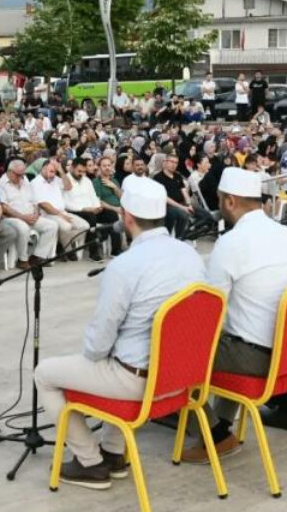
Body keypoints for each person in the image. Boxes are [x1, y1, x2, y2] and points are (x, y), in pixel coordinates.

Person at [35, 178, 206, 489]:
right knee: (122, 352)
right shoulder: (190, 255)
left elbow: (97, 346)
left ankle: (90, 462)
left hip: (138, 382)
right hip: (180, 379)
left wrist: (94, 355)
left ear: (127, 217)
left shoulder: (124, 266)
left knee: (45, 373)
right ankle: (114, 452)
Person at [178, 168, 287, 462]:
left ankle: (214, 434)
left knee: (172, 352)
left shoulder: (232, 242)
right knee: (232, 334)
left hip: (256, 357)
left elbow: (208, 312)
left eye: (221, 200)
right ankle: (223, 421)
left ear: (231, 202)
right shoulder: (285, 234)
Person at [0, 159, 59, 268]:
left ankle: (37, 257)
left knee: (52, 225)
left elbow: (34, 200)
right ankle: (22, 259)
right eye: (18, 175)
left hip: (30, 215)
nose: (21, 177)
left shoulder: (24, 180)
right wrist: (22, 217)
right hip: (12, 217)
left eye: (22, 174)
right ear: (10, 172)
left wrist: (35, 213)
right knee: (23, 228)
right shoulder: (0, 184)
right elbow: (4, 207)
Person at [32, 160, 90, 259]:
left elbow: (68, 187)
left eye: (55, 172)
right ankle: (68, 250)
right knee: (66, 227)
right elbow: (44, 205)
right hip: (48, 214)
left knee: (85, 226)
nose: (52, 174)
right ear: (43, 169)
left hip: (62, 212)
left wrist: (61, 171)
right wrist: (61, 215)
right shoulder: (36, 183)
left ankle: (63, 244)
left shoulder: (56, 179)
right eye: (51, 171)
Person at [63, 158, 117, 261]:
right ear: (72, 168)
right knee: (91, 217)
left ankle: (116, 250)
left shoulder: (86, 180)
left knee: (112, 215)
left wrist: (97, 207)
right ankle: (94, 252)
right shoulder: (65, 180)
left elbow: (93, 196)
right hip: (76, 211)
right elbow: (65, 204)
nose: (81, 174)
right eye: (79, 171)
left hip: (91, 210)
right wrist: (84, 208)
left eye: (83, 171)